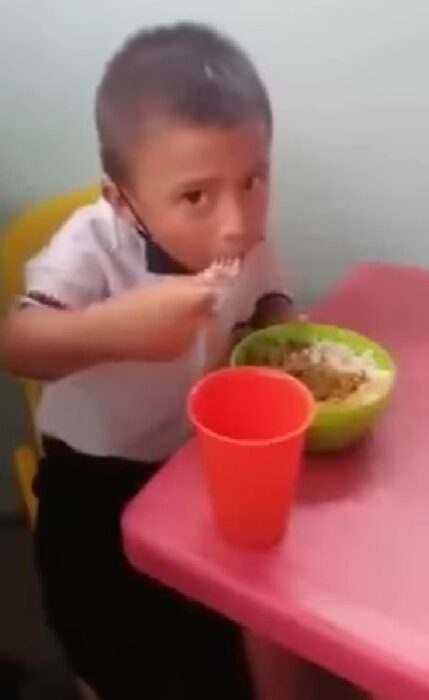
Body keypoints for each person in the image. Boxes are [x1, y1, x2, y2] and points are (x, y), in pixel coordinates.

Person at [1, 22, 293, 700]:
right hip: (93, 484)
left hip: (193, 467)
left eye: (253, 180)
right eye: (196, 195)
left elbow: (269, 292)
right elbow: (19, 341)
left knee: (221, 637)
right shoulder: (92, 247)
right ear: (120, 199)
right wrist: (114, 331)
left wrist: (283, 331)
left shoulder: (246, 239)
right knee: (116, 648)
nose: (235, 222)